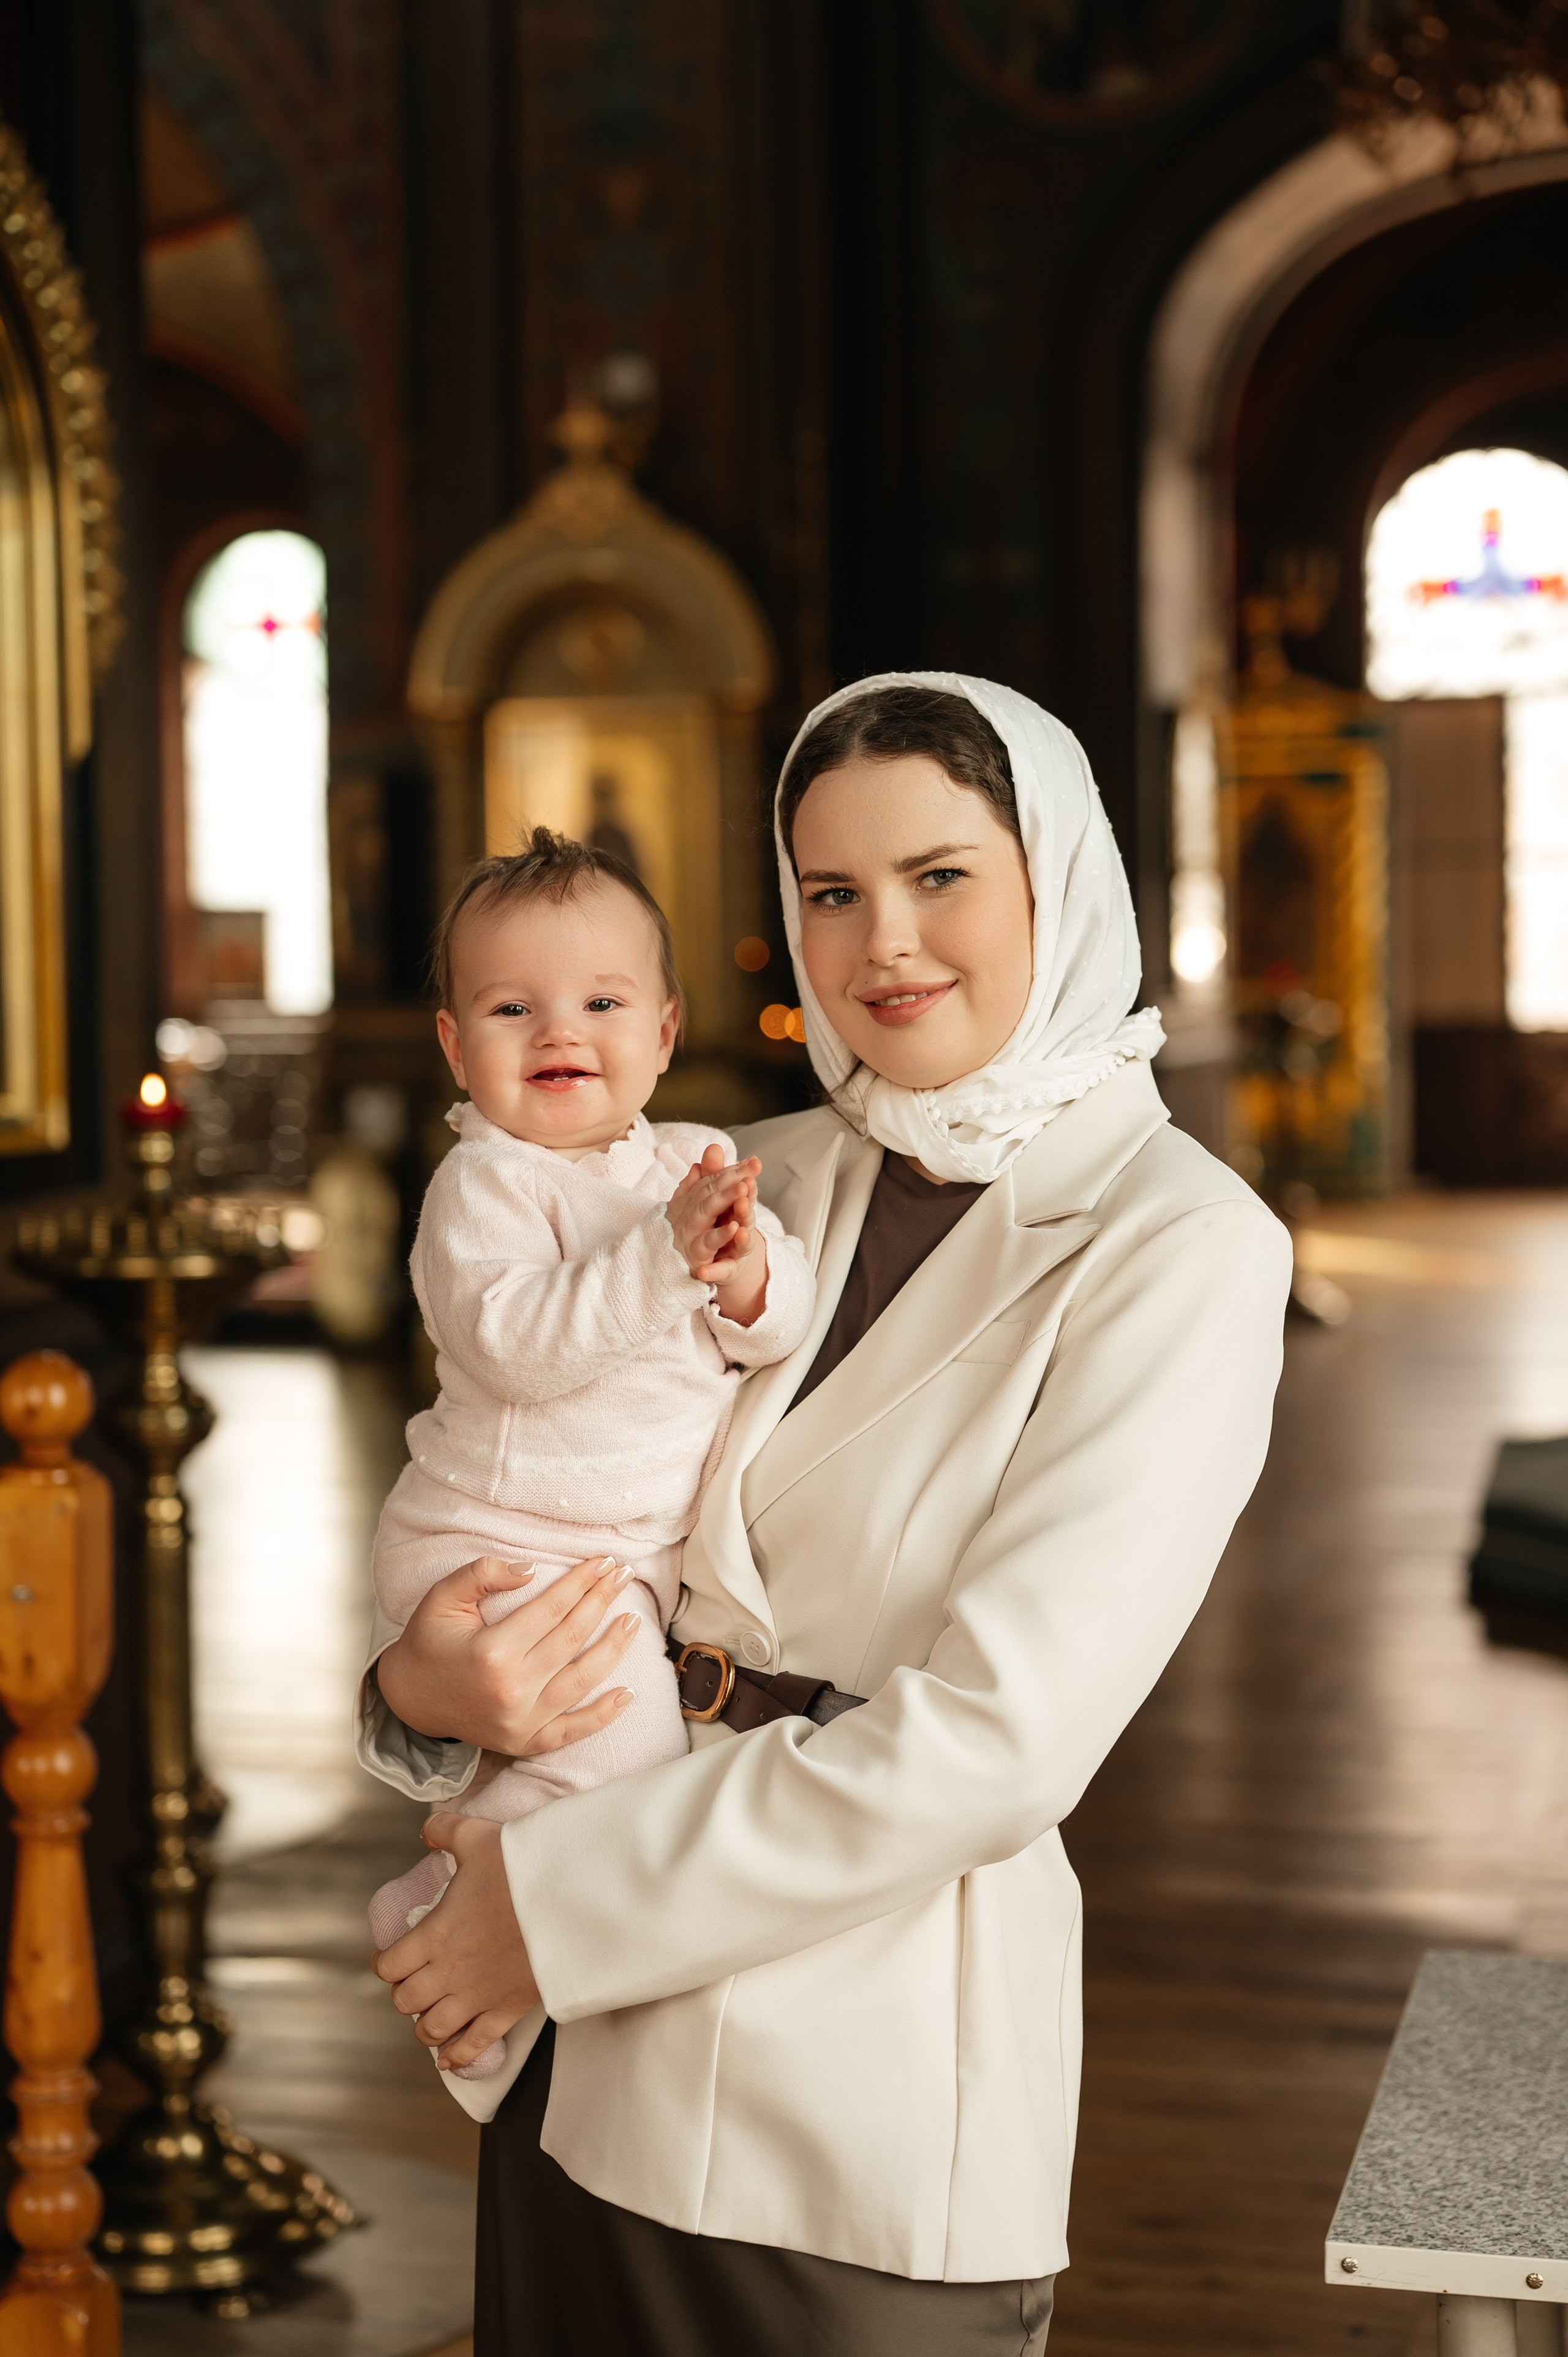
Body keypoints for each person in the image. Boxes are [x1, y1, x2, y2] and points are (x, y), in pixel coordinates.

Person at [360, 673, 1292, 2354]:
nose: (887, 945)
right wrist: (422, 1702)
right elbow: (532, 1498)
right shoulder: (728, 1173)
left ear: (1056, 879)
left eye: (943, 877)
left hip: (852, 2089)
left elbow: (1001, 1743)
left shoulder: (1181, 1242)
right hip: (581, 2055)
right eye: (832, 891)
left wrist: (546, 1912)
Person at [365, 825, 813, 2093]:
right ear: (457, 1044)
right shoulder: (486, 1186)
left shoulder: (689, 1164)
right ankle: (456, 1938)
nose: (560, 1031)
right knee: (612, 1753)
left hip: (612, 1553)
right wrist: (666, 1258)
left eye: (600, 1002)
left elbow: (790, 1315)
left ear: (663, 1031)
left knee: (613, 1757)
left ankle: (453, 1900)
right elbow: (516, 1345)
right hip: (502, 1539)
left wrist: (745, 1274)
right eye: (513, 1007)